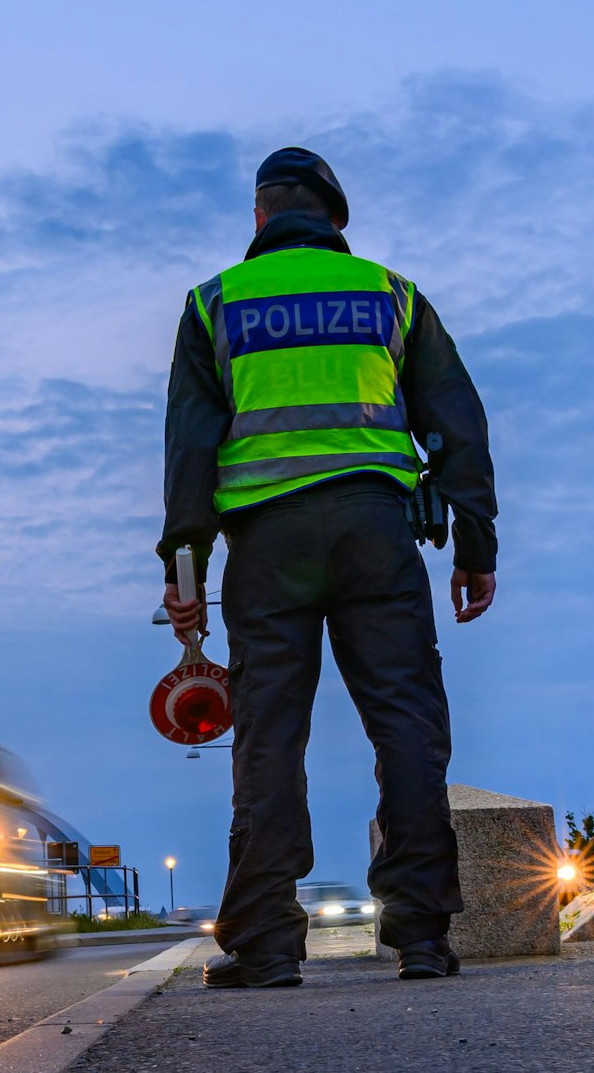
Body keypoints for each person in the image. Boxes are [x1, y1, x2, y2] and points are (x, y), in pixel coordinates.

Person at [157, 148, 497, 988]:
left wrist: (185, 568)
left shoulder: (214, 304)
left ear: (261, 218)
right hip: (377, 535)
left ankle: (268, 944)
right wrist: (476, 544)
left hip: (267, 549)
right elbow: (459, 421)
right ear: (335, 219)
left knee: (269, 739)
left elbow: (191, 450)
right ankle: (423, 936)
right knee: (407, 727)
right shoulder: (392, 294)